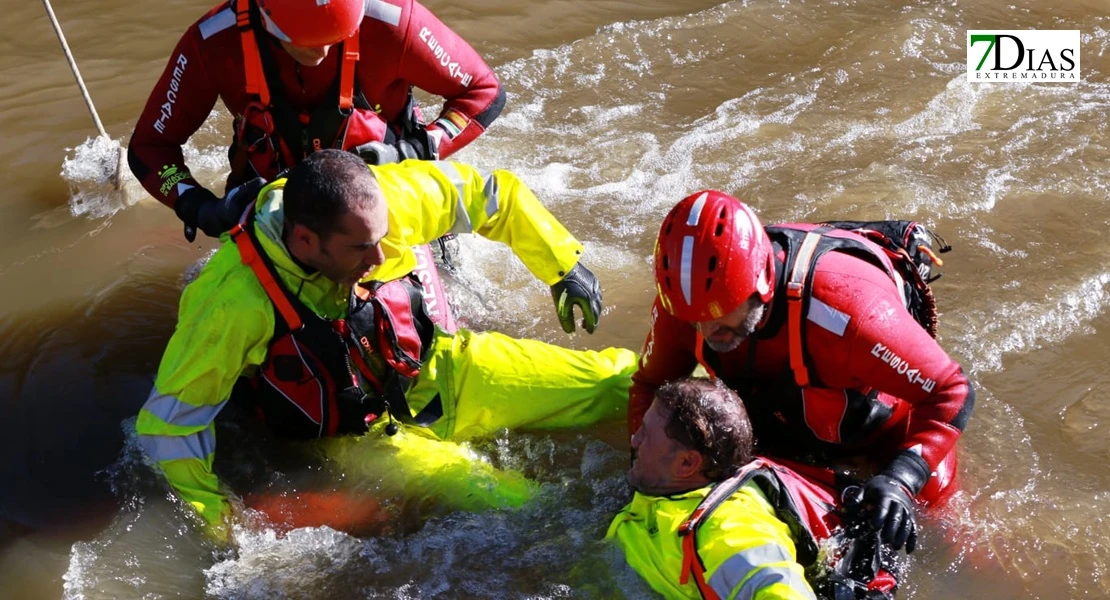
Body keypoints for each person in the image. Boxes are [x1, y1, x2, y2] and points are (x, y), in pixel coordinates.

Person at [136, 150, 627, 538]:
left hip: (442, 371)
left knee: (622, 381)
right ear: (305, 241)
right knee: (511, 501)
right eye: (360, 247)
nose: (380, 255)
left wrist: (563, 265)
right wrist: (221, 522)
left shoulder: (384, 200)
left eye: (383, 238)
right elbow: (169, 426)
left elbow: (490, 194)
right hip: (359, 437)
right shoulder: (233, 301)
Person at [631, 190, 976, 554]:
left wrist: (903, 477)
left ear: (761, 283)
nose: (703, 330)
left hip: (881, 434)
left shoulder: (849, 312)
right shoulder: (684, 304)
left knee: (950, 534)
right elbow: (648, 385)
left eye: (719, 316)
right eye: (693, 319)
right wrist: (642, 474)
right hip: (784, 428)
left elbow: (952, 391)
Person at [128, 0, 506, 241]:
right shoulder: (213, 41)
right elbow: (150, 147)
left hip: (384, 191)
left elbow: (484, 92)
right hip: (272, 212)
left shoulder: (394, 20)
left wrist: (415, 148)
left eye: (337, 36)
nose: (323, 51)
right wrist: (198, 206)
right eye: (305, 40)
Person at [608, 377, 818, 600]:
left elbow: (785, 590)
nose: (634, 440)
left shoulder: (730, 527)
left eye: (646, 434)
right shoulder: (666, 488)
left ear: (687, 463)